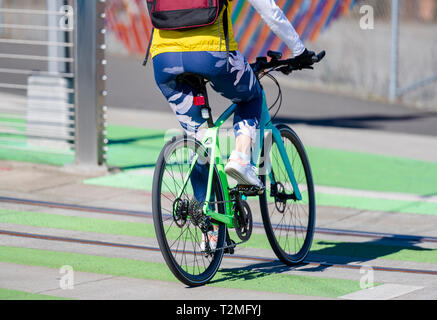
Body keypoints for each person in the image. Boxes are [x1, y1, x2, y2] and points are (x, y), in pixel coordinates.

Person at [150, 0, 315, 250]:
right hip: (211, 55)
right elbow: (268, 9)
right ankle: (240, 158)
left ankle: (209, 230)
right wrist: (298, 50)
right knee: (251, 96)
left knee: (199, 140)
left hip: (164, 61)